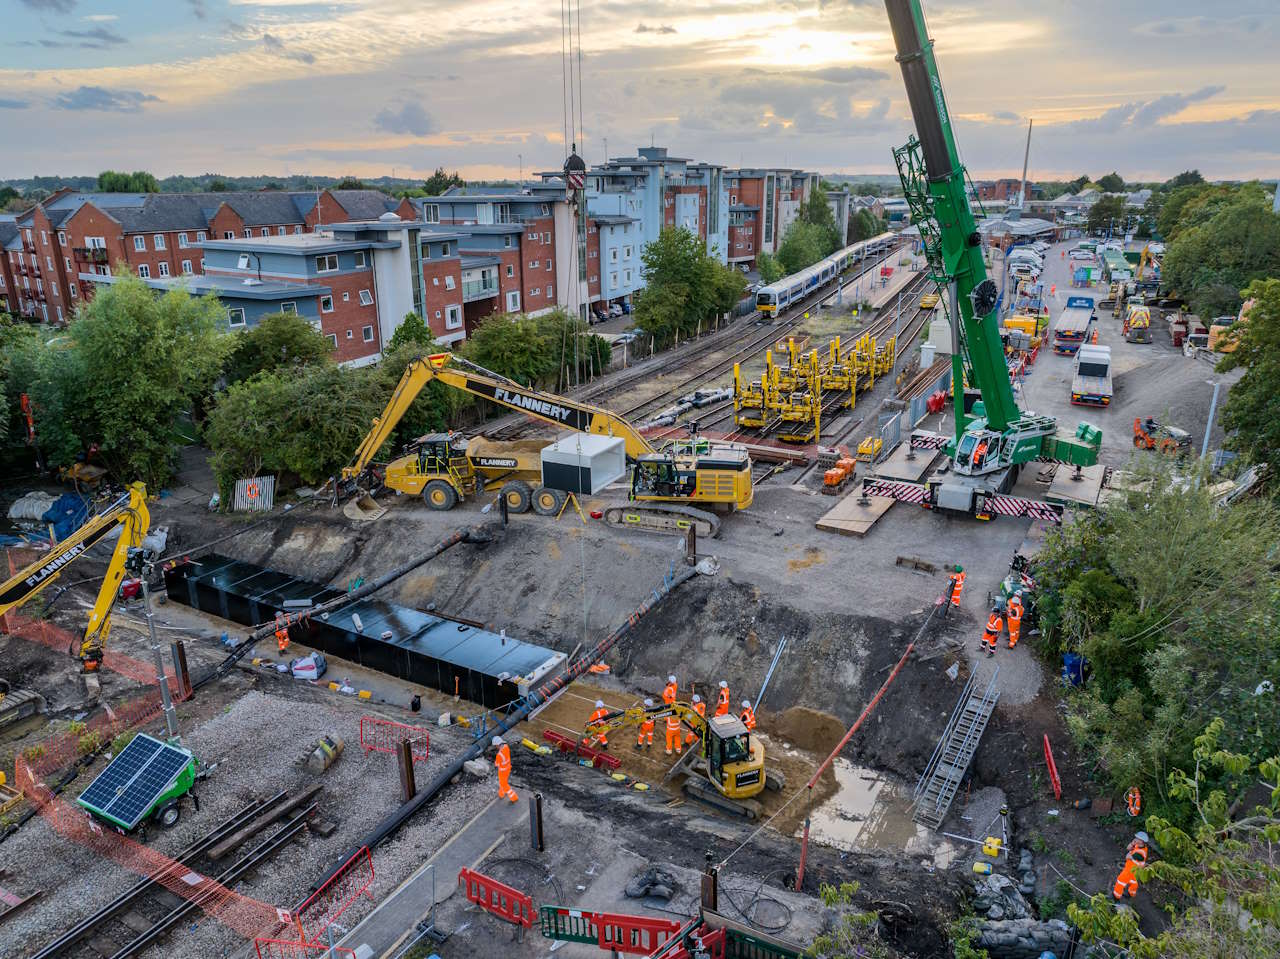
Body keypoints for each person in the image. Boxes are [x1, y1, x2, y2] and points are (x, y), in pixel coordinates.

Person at [493, 737, 518, 804]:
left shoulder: (499, 755)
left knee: (504, 784)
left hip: (502, 771)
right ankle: (501, 794)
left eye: (495, 745)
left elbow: (496, 764)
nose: (495, 747)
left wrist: (496, 762)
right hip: (508, 768)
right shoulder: (506, 747)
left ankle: (514, 797)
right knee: (502, 782)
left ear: (498, 744)